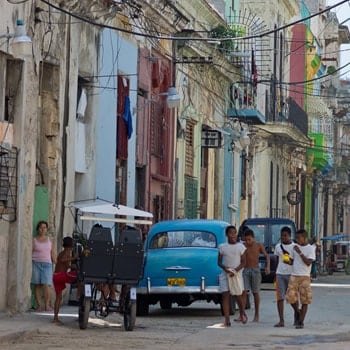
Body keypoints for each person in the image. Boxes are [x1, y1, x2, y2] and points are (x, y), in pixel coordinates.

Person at [286, 229, 316, 329]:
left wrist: (300, 253)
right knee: (290, 298)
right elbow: (292, 261)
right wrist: (286, 259)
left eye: (299, 238)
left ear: (304, 237)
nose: (297, 240)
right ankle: (297, 312)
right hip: (294, 275)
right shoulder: (294, 247)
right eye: (296, 238)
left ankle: (301, 321)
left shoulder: (310, 248)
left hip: (305, 276)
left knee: (305, 300)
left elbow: (308, 262)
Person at [218, 225, 247, 327]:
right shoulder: (222, 247)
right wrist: (225, 269)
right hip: (225, 274)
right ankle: (227, 319)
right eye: (231, 233)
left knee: (237, 294)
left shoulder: (240, 247)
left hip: (236, 274)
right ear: (227, 234)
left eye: (234, 233)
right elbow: (219, 262)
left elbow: (244, 262)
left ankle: (242, 313)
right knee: (225, 295)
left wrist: (235, 271)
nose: (233, 235)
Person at [242, 228, 270, 322]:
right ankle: (242, 314)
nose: (247, 242)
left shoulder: (258, 245)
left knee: (255, 292)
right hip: (245, 270)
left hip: (255, 270)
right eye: (246, 240)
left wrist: (267, 267)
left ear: (253, 238)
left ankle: (256, 314)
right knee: (244, 292)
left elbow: (267, 256)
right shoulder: (243, 246)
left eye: (249, 239)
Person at [32, 220, 56, 312]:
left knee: (47, 284)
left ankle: (47, 305)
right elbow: (30, 251)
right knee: (37, 284)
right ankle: (39, 305)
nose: (43, 229)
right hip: (36, 263)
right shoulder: (34, 240)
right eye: (41, 227)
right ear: (38, 229)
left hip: (47, 264)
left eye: (44, 227)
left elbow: (52, 252)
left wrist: (56, 262)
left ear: (46, 229)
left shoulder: (50, 240)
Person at [52, 237, 78, 324]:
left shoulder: (62, 252)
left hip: (56, 276)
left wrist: (73, 265)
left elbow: (66, 265)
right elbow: (63, 260)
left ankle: (55, 317)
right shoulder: (67, 252)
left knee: (58, 297)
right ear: (71, 245)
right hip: (60, 276)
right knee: (77, 275)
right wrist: (74, 258)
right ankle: (79, 293)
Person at [273, 226, 295, 327]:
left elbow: (296, 262)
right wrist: (275, 274)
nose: (283, 237)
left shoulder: (295, 247)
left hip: (291, 274)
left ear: (290, 236)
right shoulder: (278, 247)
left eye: (285, 236)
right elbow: (277, 261)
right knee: (280, 298)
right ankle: (281, 320)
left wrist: (289, 261)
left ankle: (297, 313)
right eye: (282, 236)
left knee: (292, 298)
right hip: (280, 274)